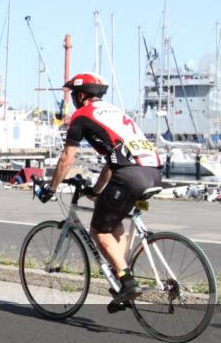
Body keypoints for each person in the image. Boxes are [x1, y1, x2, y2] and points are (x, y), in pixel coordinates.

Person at [39, 73, 162, 311]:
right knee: (113, 222)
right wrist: (96, 191)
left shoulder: (82, 116)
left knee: (97, 230)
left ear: (81, 95)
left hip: (130, 175)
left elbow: (66, 159)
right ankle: (122, 277)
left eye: (74, 95)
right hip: (153, 171)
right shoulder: (115, 113)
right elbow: (111, 160)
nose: (74, 100)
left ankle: (126, 281)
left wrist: (51, 189)